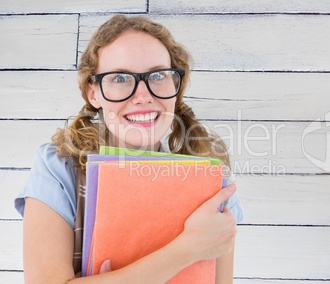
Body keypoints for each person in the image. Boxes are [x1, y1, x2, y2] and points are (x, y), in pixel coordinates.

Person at [14, 14, 243, 283]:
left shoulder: (211, 182)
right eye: (120, 78)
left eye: (158, 75)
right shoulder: (58, 167)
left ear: (175, 86)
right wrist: (187, 249)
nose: (143, 95)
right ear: (93, 92)